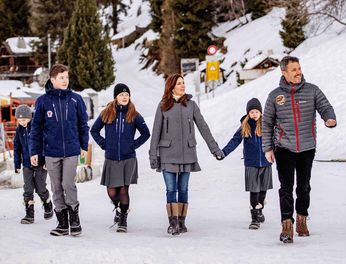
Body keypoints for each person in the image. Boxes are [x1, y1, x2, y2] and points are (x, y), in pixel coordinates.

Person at [263, 56, 337, 243]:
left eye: (299, 68)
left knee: (303, 186)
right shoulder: (275, 96)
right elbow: (267, 123)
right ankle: (287, 225)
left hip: (306, 147)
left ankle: (302, 219)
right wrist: (268, 148)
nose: (298, 72)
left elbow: (325, 106)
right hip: (284, 148)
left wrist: (329, 118)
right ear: (284, 72)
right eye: (294, 69)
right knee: (286, 187)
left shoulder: (312, 90)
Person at [149, 73, 224, 236]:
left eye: (183, 83)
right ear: (171, 87)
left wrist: (215, 149)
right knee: (171, 188)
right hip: (167, 153)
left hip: (187, 154)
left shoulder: (191, 105)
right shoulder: (163, 105)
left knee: (183, 188)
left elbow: (203, 127)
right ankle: (173, 222)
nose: (183, 86)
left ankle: (181, 222)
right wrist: (153, 155)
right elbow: (155, 132)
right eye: (179, 83)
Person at [29, 64, 89, 236]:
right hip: (51, 152)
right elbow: (36, 129)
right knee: (56, 186)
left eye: (67, 77)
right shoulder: (42, 102)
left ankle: (74, 219)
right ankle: (62, 223)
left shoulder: (76, 100)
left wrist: (84, 146)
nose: (65, 81)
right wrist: (35, 151)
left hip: (71, 150)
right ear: (52, 79)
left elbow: (82, 125)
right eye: (61, 77)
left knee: (68, 184)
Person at [90, 83, 150, 233]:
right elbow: (94, 130)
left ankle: (123, 218)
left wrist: (133, 145)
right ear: (116, 97)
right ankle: (118, 208)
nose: (124, 97)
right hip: (111, 158)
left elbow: (146, 133)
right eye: (121, 95)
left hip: (128, 158)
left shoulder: (134, 114)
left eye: (127, 95)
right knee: (112, 191)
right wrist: (104, 144)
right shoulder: (107, 112)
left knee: (123, 190)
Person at [221, 98, 273, 230]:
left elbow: (276, 140)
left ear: (261, 112)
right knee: (253, 190)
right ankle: (254, 218)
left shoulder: (267, 125)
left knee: (262, 190)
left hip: (266, 162)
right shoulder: (245, 126)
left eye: (256, 111)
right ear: (248, 113)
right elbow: (235, 141)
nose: (254, 114)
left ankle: (260, 208)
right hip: (251, 163)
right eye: (251, 112)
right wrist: (224, 152)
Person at [14, 104, 53, 224]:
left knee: (40, 187)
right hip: (27, 164)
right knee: (28, 188)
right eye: (19, 120)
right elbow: (17, 148)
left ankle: (47, 202)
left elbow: (45, 143)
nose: (22, 122)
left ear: (30, 117)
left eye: (24, 120)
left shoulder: (37, 128)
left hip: (41, 163)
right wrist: (17, 164)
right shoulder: (19, 130)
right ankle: (29, 214)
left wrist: (46, 160)